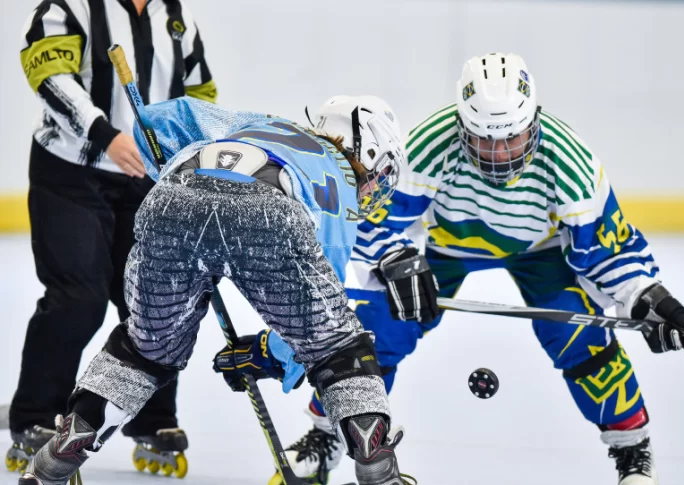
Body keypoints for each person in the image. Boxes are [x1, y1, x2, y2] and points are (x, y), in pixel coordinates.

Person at [276, 53, 684, 485]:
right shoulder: (432, 142)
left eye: (513, 138)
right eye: (484, 139)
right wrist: (396, 258)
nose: (500, 155)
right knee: (382, 326)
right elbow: (374, 215)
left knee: (580, 336)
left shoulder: (572, 162)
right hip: (447, 245)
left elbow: (609, 249)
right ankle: (327, 434)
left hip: (542, 251)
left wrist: (647, 296)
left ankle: (633, 449)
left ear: (533, 122)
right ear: (463, 127)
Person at [18, 94, 415, 485]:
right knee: (341, 348)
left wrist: (168, 162)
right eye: (377, 177)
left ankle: (57, 458)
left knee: (144, 352)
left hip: (171, 199)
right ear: (368, 152)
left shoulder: (261, 120)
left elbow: (163, 118)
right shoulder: (341, 180)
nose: (372, 191)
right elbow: (320, 323)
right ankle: (378, 470)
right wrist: (270, 353)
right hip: (265, 214)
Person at [8, 0, 218, 477]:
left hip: (146, 179)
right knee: (77, 297)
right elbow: (50, 79)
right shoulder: (66, 8)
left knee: (153, 302)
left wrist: (191, 147)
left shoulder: (176, 17)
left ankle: (153, 418)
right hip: (71, 173)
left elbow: (199, 92)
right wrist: (104, 133)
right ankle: (36, 417)